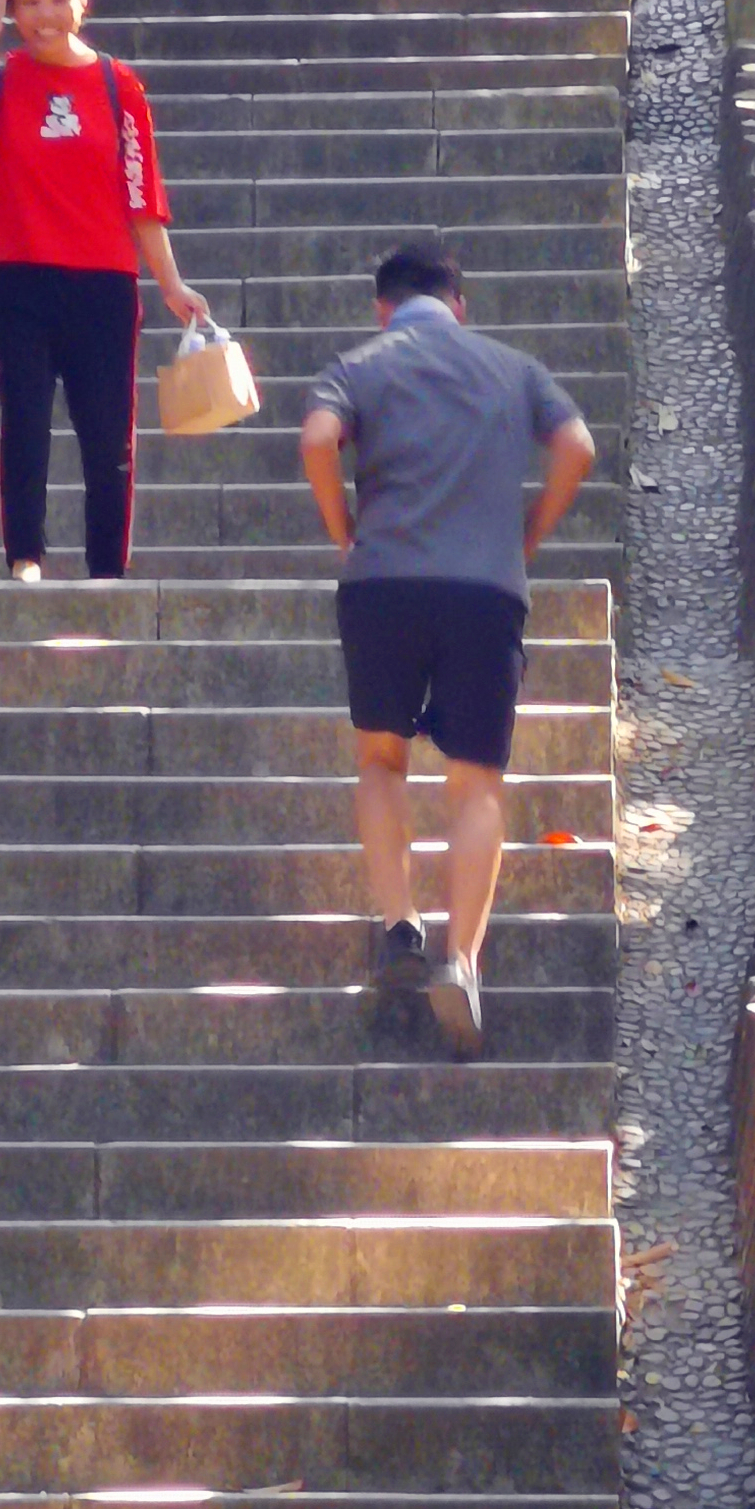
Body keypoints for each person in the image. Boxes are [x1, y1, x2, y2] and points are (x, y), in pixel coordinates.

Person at [300, 238, 597, 1055]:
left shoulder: (359, 364)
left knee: (380, 759)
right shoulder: (513, 367)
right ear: (459, 305)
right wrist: (526, 536)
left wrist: (343, 532)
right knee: (475, 782)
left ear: (383, 309)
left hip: (383, 582)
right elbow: (578, 446)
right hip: (485, 592)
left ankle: (399, 923)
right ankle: (462, 960)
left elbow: (318, 438)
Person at [0, 0, 202, 581]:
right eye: (27, 3)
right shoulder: (1, 76)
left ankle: (106, 573)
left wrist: (172, 283)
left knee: (108, 442)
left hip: (104, 282)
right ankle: (25, 558)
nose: (45, 14)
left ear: (82, 1)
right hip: (22, 279)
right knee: (25, 423)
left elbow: (141, 191)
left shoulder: (118, 85)